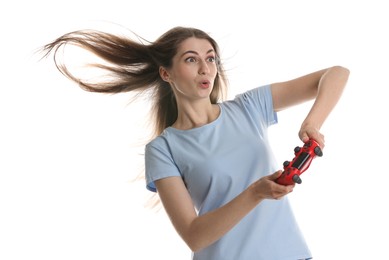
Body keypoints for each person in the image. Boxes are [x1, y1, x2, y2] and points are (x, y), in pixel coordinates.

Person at [41, 26, 349, 260]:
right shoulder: (163, 149)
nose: (206, 68)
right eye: (192, 60)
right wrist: (256, 193)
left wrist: (312, 123)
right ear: (166, 73)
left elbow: (337, 73)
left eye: (211, 58)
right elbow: (194, 236)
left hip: (291, 253)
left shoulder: (249, 107)